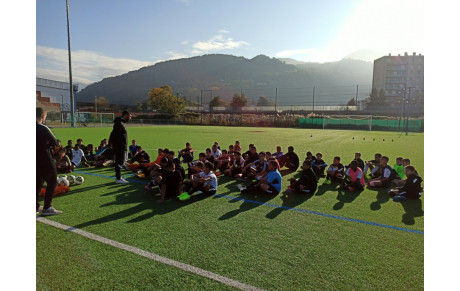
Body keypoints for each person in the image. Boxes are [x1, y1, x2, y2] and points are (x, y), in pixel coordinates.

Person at [36, 107, 62, 215]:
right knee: (52, 181)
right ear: (43, 116)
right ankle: (47, 207)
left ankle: (35, 206)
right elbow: (55, 143)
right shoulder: (43, 128)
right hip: (45, 158)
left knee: (37, 181)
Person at [109, 110, 132, 184]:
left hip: (121, 146)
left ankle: (119, 177)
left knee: (120, 161)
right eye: (130, 116)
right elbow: (113, 134)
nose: (130, 118)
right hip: (119, 147)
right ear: (126, 115)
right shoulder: (119, 124)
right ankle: (118, 178)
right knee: (119, 161)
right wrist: (111, 143)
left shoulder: (122, 123)